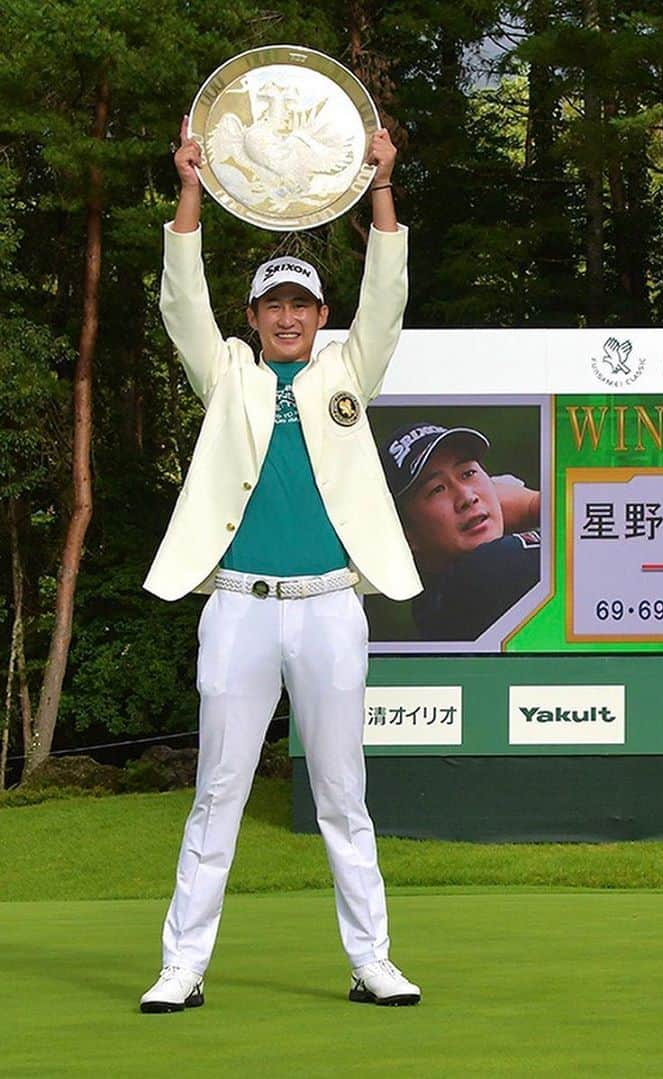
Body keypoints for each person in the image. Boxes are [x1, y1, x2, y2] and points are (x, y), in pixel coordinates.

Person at [139, 117, 422, 1013]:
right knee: (216, 793)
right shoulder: (226, 374)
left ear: (319, 314)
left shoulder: (349, 366)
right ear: (255, 317)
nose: (289, 315)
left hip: (331, 605)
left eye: (302, 302)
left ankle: (371, 959)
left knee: (345, 795)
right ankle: (182, 966)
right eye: (274, 305)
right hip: (239, 609)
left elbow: (389, 296)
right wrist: (189, 185)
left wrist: (380, 183)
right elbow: (181, 301)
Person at [380, 421, 541, 640]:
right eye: (437, 489)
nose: (466, 497)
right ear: (406, 534)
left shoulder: (433, 602)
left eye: (468, 473)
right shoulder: (483, 572)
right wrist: (533, 505)